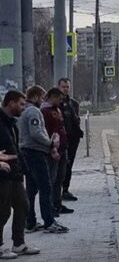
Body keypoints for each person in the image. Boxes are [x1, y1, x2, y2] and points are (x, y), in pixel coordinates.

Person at [19, 86, 68, 234]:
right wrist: (50, 143)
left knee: (31, 190)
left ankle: (30, 221)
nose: (43, 100)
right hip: (35, 152)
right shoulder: (33, 111)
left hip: (26, 152)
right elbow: (36, 132)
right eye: (42, 97)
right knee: (46, 188)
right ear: (35, 96)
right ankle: (49, 221)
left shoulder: (24, 111)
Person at [0, 90, 40, 259]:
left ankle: (19, 243)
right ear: (11, 103)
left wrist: (23, 167)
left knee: (23, 204)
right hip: (2, 174)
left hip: (14, 173)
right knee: (2, 211)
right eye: (21, 104)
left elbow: (15, 148)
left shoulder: (10, 122)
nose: (23, 108)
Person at [41, 88, 74, 216]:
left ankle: (58, 203)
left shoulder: (57, 109)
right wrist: (52, 147)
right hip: (53, 150)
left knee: (60, 178)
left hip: (62, 148)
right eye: (58, 99)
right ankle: (51, 207)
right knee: (52, 179)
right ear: (51, 97)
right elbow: (46, 131)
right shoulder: (44, 111)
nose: (60, 101)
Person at [58, 78, 83, 201]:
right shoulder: (55, 103)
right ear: (59, 87)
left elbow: (76, 120)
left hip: (72, 139)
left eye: (67, 86)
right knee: (61, 166)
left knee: (69, 165)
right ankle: (58, 191)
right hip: (61, 140)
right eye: (63, 86)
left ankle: (65, 189)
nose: (65, 89)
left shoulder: (73, 103)